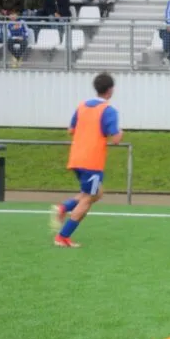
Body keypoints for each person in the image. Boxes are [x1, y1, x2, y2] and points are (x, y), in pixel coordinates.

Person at [53, 73, 123, 248]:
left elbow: (71, 130)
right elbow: (115, 139)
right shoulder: (109, 110)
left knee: (96, 193)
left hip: (76, 158)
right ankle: (63, 237)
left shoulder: (82, 106)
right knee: (88, 199)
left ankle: (64, 207)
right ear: (110, 90)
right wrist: (120, 133)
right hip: (91, 161)